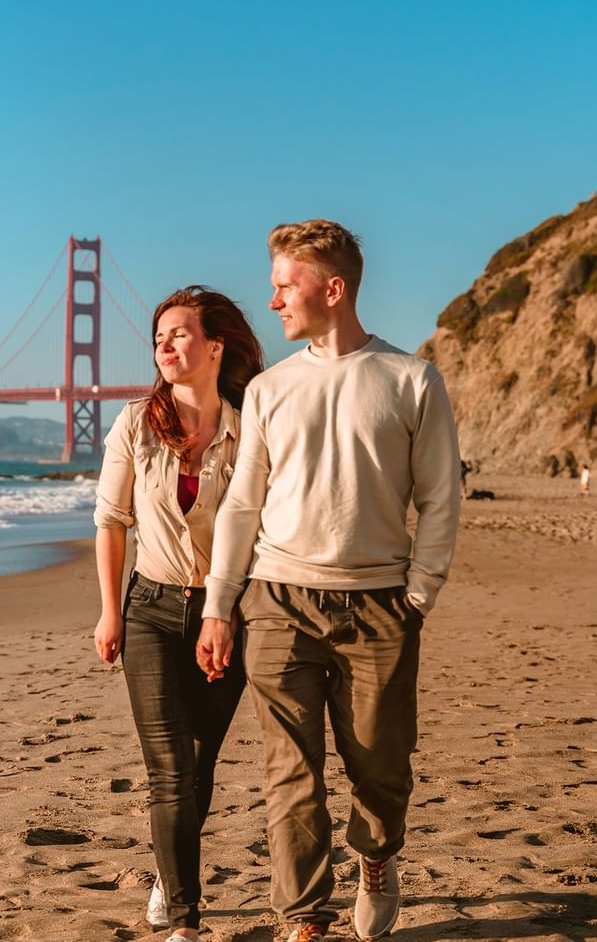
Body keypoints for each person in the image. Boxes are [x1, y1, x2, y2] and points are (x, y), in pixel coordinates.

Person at [196, 220, 461, 942]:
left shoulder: (412, 379)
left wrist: (419, 594)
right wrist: (221, 605)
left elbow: (441, 498)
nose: (274, 300)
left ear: (333, 289)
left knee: (380, 768)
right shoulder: (270, 390)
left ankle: (376, 858)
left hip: (381, 604)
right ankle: (303, 918)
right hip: (279, 599)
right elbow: (241, 505)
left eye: (286, 285)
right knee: (291, 771)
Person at [93, 285, 264, 942]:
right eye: (159, 335)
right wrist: (110, 614)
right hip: (152, 613)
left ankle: (171, 869)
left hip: (230, 615)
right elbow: (111, 522)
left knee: (198, 762)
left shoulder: (253, 427)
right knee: (169, 767)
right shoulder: (136, 422)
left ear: (217, 346)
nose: (164, 344)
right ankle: (186, 924)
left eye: (180, 333)